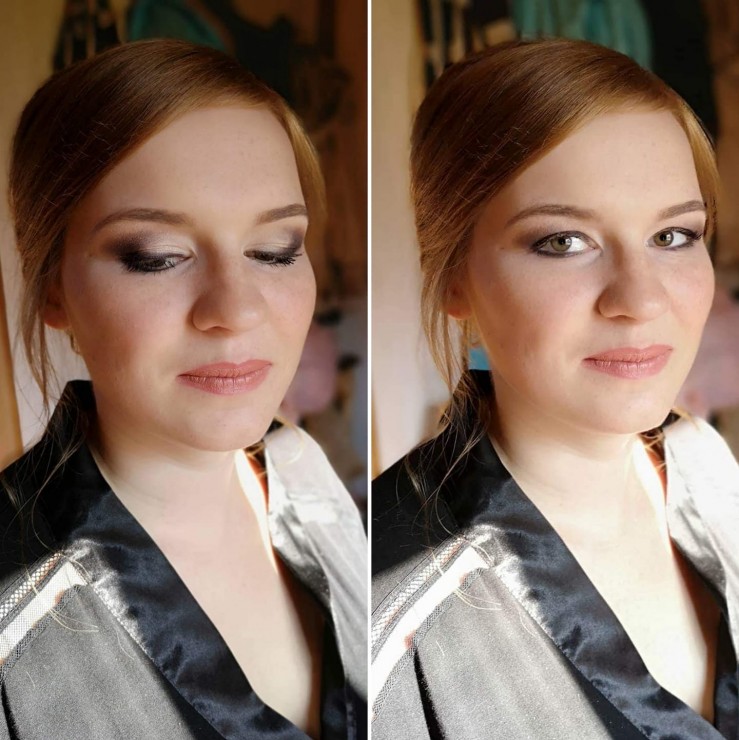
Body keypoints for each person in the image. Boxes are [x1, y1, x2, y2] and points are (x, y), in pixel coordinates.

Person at [372, 38, 738, 739]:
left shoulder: (706, 467)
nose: (640, 299)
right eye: (563, 241)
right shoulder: (384, 617)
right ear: (454, 277)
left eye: (673, 235)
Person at [0, 39, 366, 740]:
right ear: (53, 288)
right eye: (156, 258)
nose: (236, 309)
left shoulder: (301, 470)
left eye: (275, 251)